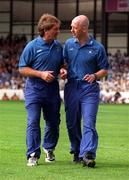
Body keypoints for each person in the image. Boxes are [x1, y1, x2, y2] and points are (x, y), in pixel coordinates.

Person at [60, 15, 109, 168]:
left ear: (84, 28)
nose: (71, 29)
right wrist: (63, 71)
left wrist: (95, 75)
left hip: (90, 89)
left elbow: (104, 70)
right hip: (72, 87)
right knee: (72, 123)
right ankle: (76, 150)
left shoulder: (97, 47)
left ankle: (88, 154)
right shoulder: (68, 44)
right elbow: (64, 64)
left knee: (89, 121)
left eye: (74, 27)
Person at [19, 14, 63, 166]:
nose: (58, 31)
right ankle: (32, 154)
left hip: (52, 92)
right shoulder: (32, 46)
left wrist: (64, 70)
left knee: (53, 122)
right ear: (45, 29)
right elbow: (22, 69)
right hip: (34, 91)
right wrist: (41, 74)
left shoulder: (58, 46)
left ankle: (49, 148)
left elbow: (62, 65)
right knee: (33, 121)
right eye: (55, 29)